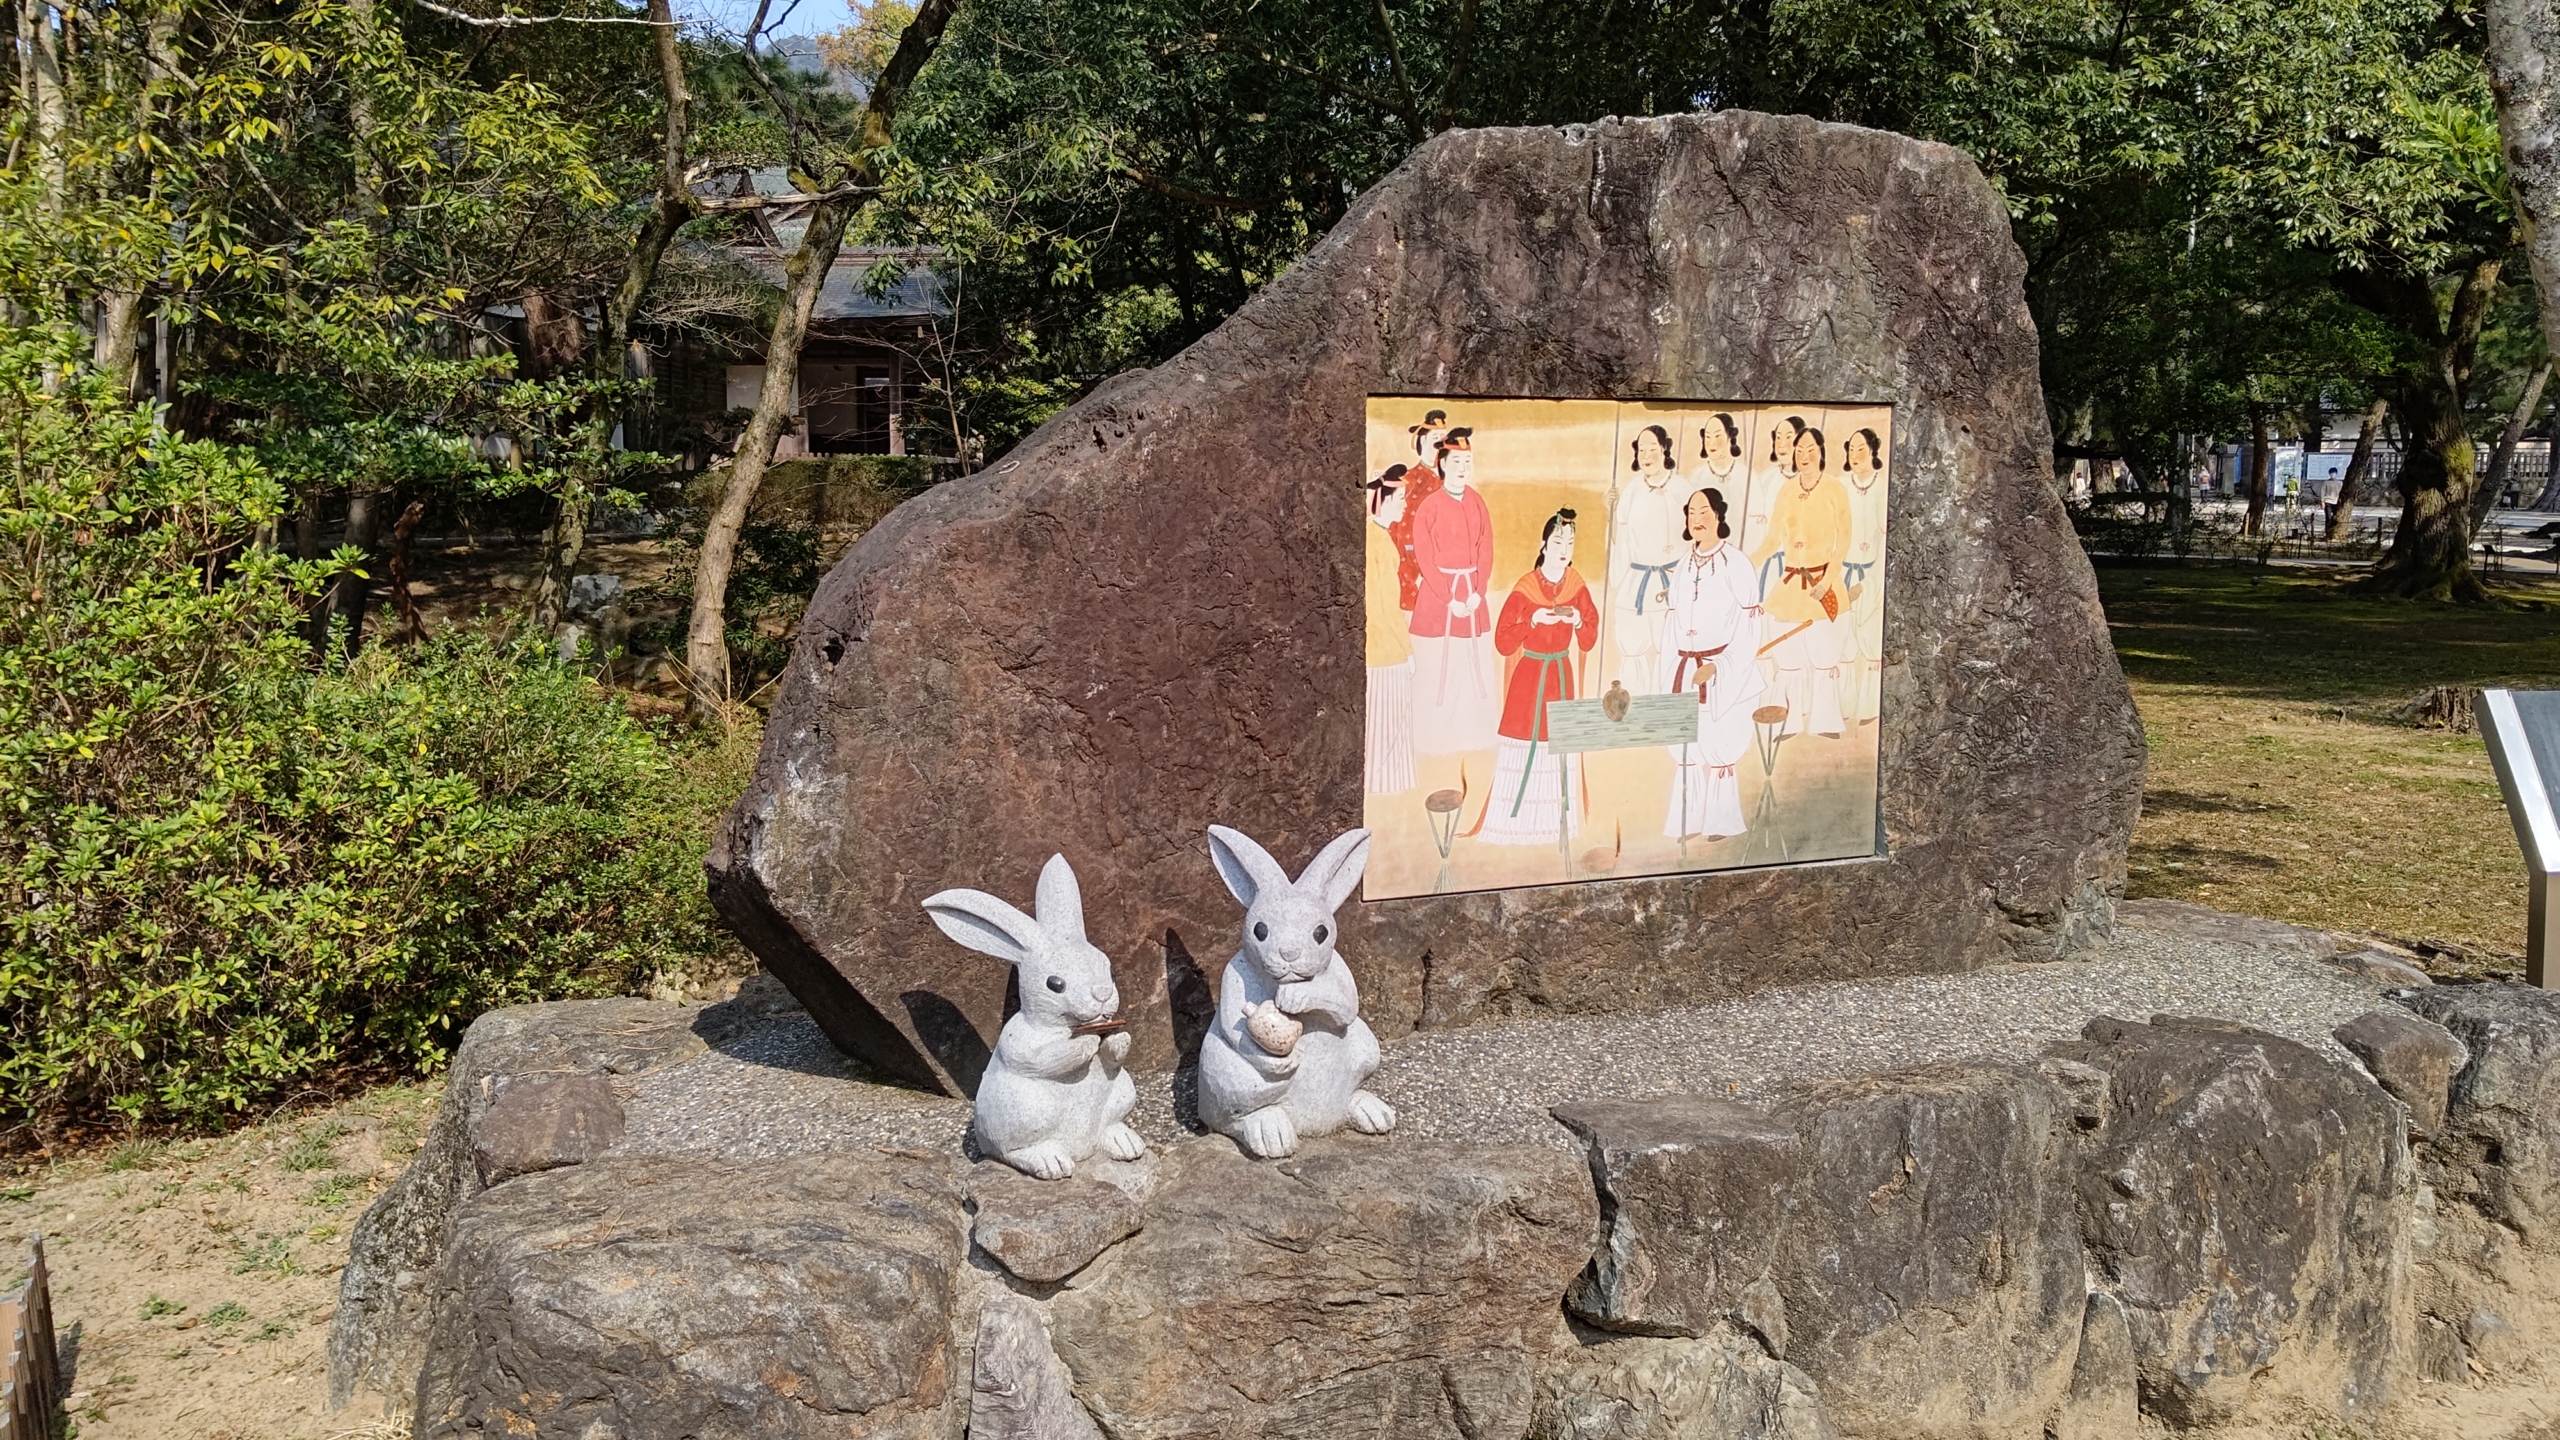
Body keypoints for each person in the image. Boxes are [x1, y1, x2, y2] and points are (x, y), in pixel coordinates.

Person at [1477, 509, 1601, 846]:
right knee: (1523, 748)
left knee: (1558, 749)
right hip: (1530, 679)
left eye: (1570, 543)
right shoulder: (1526, 588)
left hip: (1561, 676)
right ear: (1543, 545)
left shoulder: (1577, 586)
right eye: (1558, 541)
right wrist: (1532, 621)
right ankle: (1513, 826)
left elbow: (1590, 637)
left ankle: (1556, 825)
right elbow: (1503, 641)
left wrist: (1577, 620)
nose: (1564, 549)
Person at [1658, 488, 1764, 840]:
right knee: (1687, 747)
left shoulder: (1736, 563)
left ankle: (1721, 822)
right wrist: (1668, 674)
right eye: (1691, 513)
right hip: (1685, 671)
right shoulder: (1683, 566)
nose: (1697, 519)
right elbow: (1671, 624)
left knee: (1719, 745)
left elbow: (1750, 626)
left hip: (1727, 674)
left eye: (1704, 512)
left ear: (1719, 515)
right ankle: (1687, 821)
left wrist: (1720, 665)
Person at [1750, 421, 1851, 738]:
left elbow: (1843, 542)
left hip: (1824, 584)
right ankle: (1788, 722)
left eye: (1810, 449)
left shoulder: (1835, 489)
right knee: (1788, 659)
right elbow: (1771, 541)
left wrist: (1828, 580)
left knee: (1824, 657)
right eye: (1799, 450)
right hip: (1791, 585)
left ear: (1821, 452)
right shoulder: (1786, 490)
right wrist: (1744, 565)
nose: (1804, 456)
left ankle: (1826, 722)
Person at [1407, 429, 1499, 755]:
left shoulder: (1477, 502)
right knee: (1436, 672)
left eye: (1467, 461)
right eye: (1456, 461)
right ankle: (1433, 742)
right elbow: (1425, 558)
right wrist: (1448, 598)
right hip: (1438, 601)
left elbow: (1486, 549)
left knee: (1472, 669)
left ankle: (1473, 740)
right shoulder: (1429, 507)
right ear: (1443, 463)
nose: (1462, 468)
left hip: (1472, 597)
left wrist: (1478, 591)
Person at [1608, 424, 1684, 693]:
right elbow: (1620, 540)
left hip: (1670, 582)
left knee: (1671, 651)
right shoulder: (1632, 490)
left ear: (1664, 449)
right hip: (1637, 584)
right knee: (1631, 648)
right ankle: (1632, 706)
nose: (1647, 455)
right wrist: (1611, 510)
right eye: (1642, 450)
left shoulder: (1682, 488)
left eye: (1652, 449)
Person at [1364, 465, 1417, 794]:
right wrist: (1407, 651)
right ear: (1382, 501)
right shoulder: (1380, 544)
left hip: (1376, 648)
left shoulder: (1376, 538)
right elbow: (1386, 606)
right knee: (1388, 721)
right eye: (1400, 499)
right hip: (1386, 653)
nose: (1405, 505)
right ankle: (1386, 786)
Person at [1838, 427, 1888, 725]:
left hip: (1872, 571)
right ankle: (1842, 707)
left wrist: (1867, 585)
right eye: (1851, 449)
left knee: (1870, 639)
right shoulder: (1841, 486)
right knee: (1843, 641)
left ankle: (1869, 709)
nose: (1855, 455)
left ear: (1872, 451)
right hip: (1843, 569)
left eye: (1861, 449)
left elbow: (1886, 537)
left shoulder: (1883, 486)